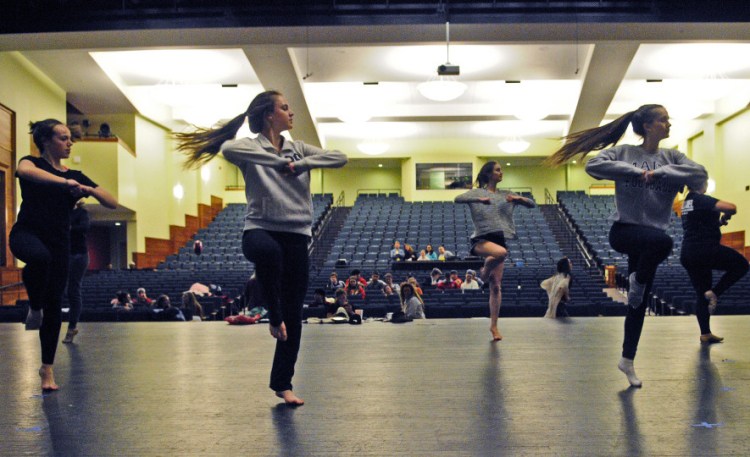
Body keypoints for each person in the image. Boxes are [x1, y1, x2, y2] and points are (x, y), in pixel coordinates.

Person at [175, 90, 347, 405]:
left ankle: (283, 384)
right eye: (285, 107)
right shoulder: (249, 147)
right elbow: (227, 147)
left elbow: (339, 158)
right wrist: (276, 161)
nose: (291, 112)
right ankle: (272, 315)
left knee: (295, 315)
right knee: (269, 254)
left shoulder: (298, 148)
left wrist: (300, 164)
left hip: (297, 234)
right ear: (269, 114)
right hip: (259, 230)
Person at [546, 104, 707, 387]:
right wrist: (634, 173)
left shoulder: (672, 156)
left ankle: (627, 360)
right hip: (625, 231)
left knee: (638, 303)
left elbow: (700, 175)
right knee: (665, 243)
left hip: (650, 241)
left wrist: (663, 173)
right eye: (663, 120)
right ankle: (638, 282)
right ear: (647, 126)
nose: (668, 125)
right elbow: (593, 165)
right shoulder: (625, 153)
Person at [9, 119, 117, 391]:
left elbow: (111, 201)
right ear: (46, 140)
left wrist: (88, 189)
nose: (69, 143)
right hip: (27, 234)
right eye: (63, 138)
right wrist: (64, 182)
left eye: (70, 139)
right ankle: (34, 307)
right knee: (39, 259)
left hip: (60, 244)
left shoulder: (76, 176)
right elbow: (23, 171)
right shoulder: (32, 163)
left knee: (55, 304)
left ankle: (47, 369)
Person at [455, 161, 536, 341]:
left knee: (496, 286)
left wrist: (519, 199)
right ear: (489, 174)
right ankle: (483, 272)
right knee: (501, 253)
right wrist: (478, 199)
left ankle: (494, 326)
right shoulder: (477, 192)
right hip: (481, 240)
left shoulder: (506, 195)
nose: (501, 173)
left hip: (499, 239)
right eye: (498, 170)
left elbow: (532, 204)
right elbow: (458, 199)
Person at [680, 179, 749, 343]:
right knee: (742, 265)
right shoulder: (700, 199)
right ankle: (715, 293)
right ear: (700, 184)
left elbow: (699, 223)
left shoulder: (687, 202)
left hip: (689, 252)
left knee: (701, 293)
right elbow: (732, 207)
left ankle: (705, 333)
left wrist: (719, 222)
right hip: (704, 249)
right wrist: (728, 214)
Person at [62, 199, 90, 344]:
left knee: (73, 290)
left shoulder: (82, 212)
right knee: (59, 289)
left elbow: (84, 227)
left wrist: (67, 227)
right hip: (64, 254)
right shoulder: (61, 212)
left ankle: (72, 327)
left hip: (79, 255)